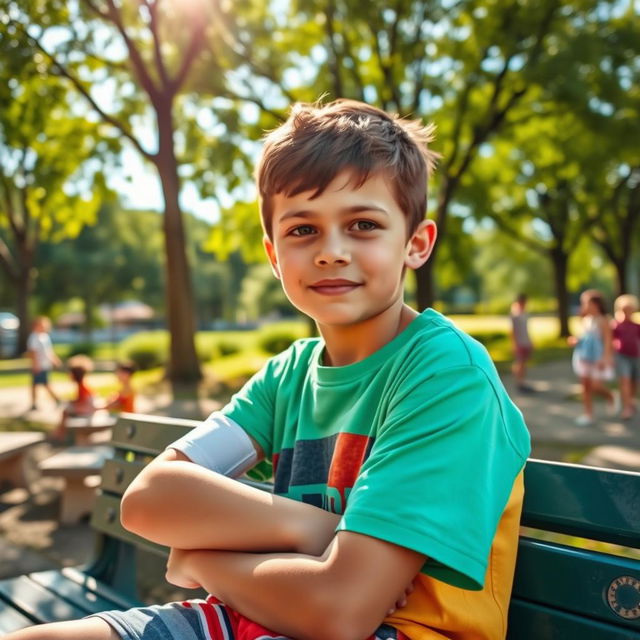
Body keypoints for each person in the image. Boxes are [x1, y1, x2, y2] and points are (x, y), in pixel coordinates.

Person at [6, 99, 531, 640]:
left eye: (363, 224)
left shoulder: (445, 373)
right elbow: (148, 498)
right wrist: (316, 530)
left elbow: (340, 612)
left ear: (415, 244)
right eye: (303, 230)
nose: (331, 252)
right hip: (248, 618)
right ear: (274, 254)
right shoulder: (288, 375)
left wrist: (199, 563)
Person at [568, 289, 617, 425]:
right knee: (585, 386)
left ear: (595, 304)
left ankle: (611, 396)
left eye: (585, 303)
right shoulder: (586, 320)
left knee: (595, 386)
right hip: (584, 356)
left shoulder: (604, 320)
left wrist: (605, 358)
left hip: (597, 358)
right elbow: (585, 338)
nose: (583, 306)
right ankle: (588, 414)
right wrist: (576, 341)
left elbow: (608, 341)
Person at [50, 354, 96, 442]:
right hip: (87, 409)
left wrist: (71, 403)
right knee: (66, 410)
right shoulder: (81, 385)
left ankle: (61, 434)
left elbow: (82, 401)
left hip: (87, 411)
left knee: (65, 411)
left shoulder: (82, 386)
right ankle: (60, 432)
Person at [611, 294, 640, 420]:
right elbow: (609, 341)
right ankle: (627, 407)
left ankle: (631, 401)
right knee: (625, 381)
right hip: (621, 356)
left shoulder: (636, 326)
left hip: (635, 356)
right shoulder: (616, 325)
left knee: (634, 381)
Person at [27, 315, 61, 411]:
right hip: (39, 365)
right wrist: (35, 365)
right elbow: (33, 353)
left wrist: (54, 359)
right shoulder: (34, 337)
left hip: (45, 365)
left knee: (41, 384)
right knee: (38, 384)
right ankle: (55, 400)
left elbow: (49, 351)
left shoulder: (45, 336)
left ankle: (56, 400)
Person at [510, 293, 533, 392]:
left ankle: (522, 381)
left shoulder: (524, 314)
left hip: (525, 341)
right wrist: (514, 343)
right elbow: (512, 331)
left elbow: (526, 329)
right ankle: (519, 382)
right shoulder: (515, 315)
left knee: (523, 363)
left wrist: (530, 341)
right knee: (519, 362)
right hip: (519, 343)